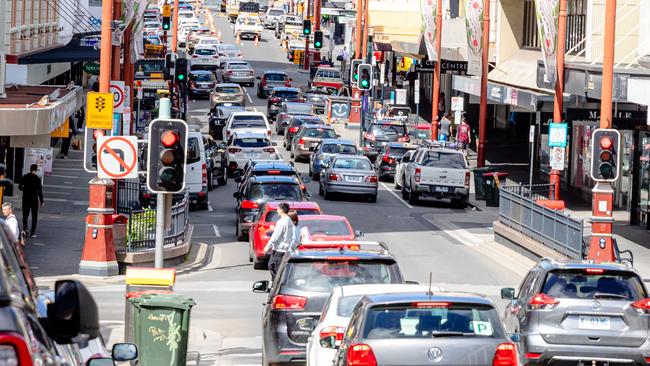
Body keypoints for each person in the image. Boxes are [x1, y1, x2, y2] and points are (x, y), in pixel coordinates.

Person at [263, 203, 294, 279]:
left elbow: (275, 237)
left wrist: (267, 246)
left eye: (277, 209)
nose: (277, 210)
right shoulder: (289, 220)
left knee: (273, 266)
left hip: (279, 249)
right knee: (278, 268)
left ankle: (277, 284)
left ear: (281, 210)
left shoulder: (281, 222)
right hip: (286, 248)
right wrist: (275, 229)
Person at [18, 164, 43, 238]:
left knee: (25, 215)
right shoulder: (37, 178)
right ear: (36, 170)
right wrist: (41, 201)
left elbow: (19, 186)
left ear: (30, 169)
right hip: (34, 200)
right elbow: (40, 191)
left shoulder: (25, 177)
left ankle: (25, 230)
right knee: (34, 216)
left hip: (25, 198)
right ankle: (32, 232)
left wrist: (25, 189)